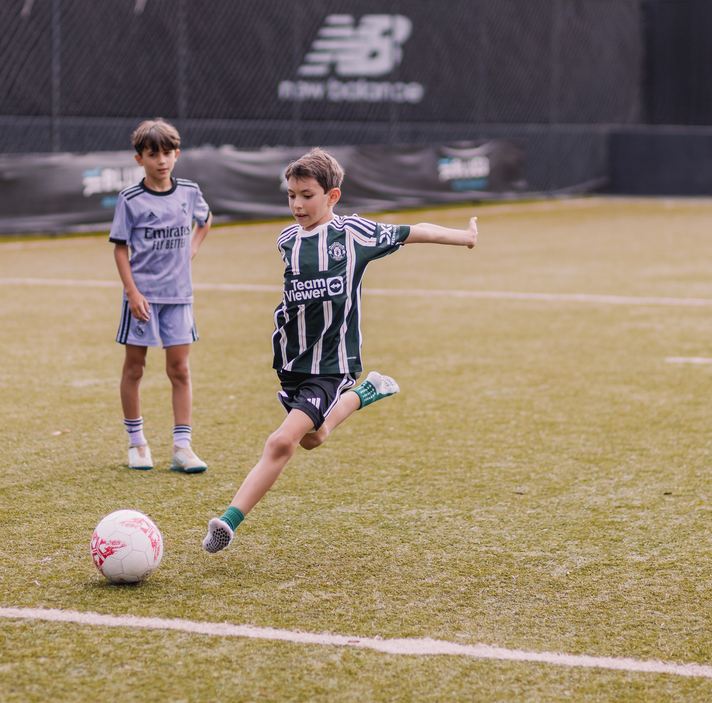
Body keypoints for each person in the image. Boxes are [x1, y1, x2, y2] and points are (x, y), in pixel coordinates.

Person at [201, 147, 478, 552]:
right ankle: (367, 392)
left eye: (307, 195)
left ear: (332, 196)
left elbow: (415, 231)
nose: (297, 204)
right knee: (313, 438)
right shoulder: (287, 240)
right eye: (291, 195)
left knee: (282, 441)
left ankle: (226, 523)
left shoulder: (354, 234)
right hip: (292, 361)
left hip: (331, 364)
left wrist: (465, 237)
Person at [110, 119, 213, 473]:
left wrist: (192, 248)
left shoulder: (189, 192)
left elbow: (205, 220)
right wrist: (132, 292)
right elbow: (120, 249)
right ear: (139, 159)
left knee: (179, 369)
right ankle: (137, 443)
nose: (161, 160)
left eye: (167, 153)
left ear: (176, 154)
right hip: (142, 300)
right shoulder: (130, 199)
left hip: (179, 298)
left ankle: (182, 448)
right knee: (134, 368)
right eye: (153, 154)